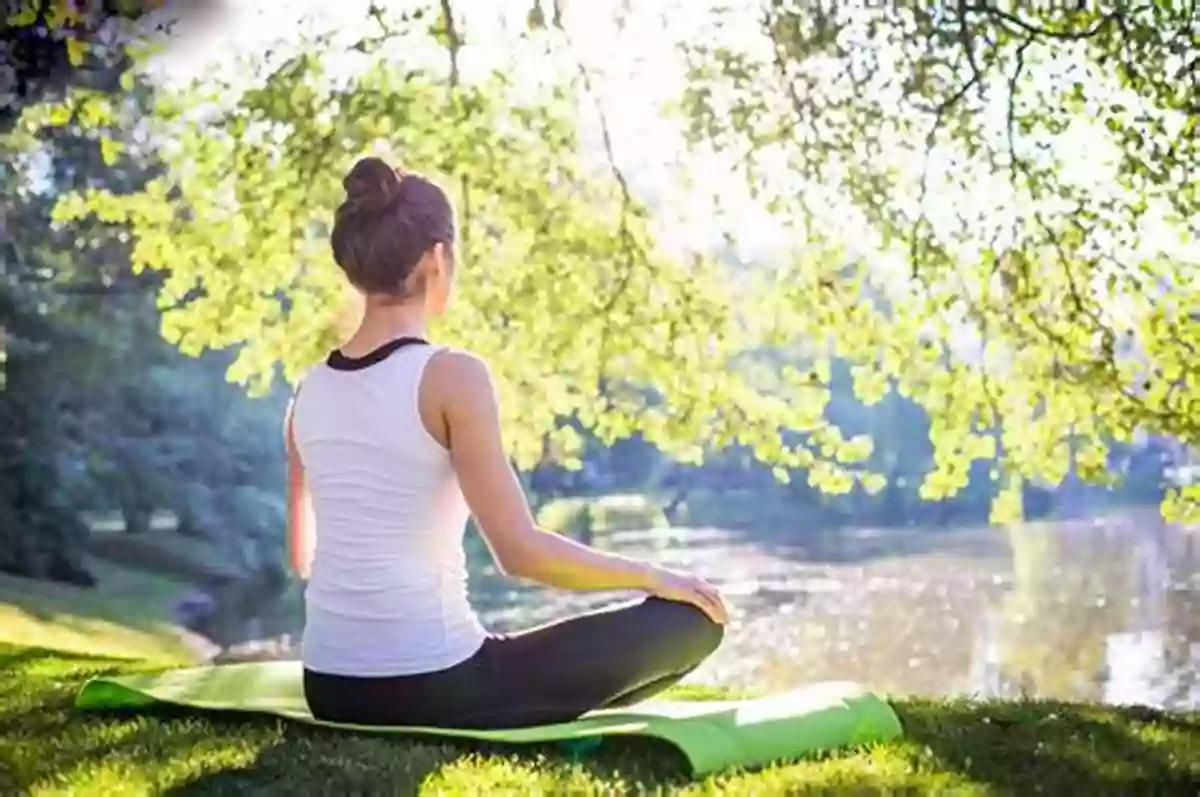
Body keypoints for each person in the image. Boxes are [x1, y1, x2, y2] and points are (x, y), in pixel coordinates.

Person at [285, 156, 727, 730]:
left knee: (519, 658)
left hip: (329, 685)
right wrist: (654, 576)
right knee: (692, 621)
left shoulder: (308, 391)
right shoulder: (452, 375)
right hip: (437, 686)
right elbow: (520, 553)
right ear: (437, 258)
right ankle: (530, 710)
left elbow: (303, 558)